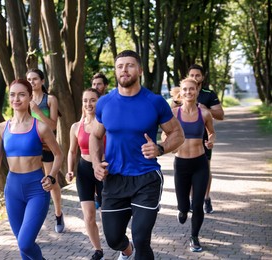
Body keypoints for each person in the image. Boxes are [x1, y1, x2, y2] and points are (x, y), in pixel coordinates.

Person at [89, 50, 185, 260]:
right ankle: (126, 250)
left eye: (130, 65)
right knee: (113, 239)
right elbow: (95, 136)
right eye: (120, 66)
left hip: (146, 177)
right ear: (115, 71)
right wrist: (96, 163)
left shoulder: (154, 101)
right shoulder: (105, 103)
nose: (124, 69)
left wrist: (160, 148)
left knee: (142, 238)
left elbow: (178, 134)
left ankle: (138, 249)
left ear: (140, 70)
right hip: (114, 178)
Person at [0, 79, 63, 260]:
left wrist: (52, 177)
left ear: (30, 97)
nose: (17, 98)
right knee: (23, 247)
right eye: (13, 95)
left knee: (24, 242)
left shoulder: (41, 127)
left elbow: (58, 154)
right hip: (12, 190)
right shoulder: (1, 128)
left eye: (22, 94)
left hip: (36, 190)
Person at [167, 77, 216, 252]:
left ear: (197, 91)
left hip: (200, 163)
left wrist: (210, 141)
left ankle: (194, 237)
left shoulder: (204, 113)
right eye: (185, 89)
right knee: (184, 206)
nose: (189, 92)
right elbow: (166, 136)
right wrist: (168, 145)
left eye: (192, 89)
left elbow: (211, 133)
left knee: (197, 204)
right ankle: (182, 210)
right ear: (181, 92)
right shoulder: (173, 113)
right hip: (181, 164)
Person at [66, 88, 105, 260]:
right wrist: (69, 170)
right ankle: (98, 250)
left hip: (104, 171)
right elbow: (72, 151)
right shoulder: (76, 127)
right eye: (85, 100)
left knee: (110, 214)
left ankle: (120, 243)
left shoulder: (106, 124)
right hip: (84, 171)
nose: (88, 104)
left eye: (93, 100)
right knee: (89, 215)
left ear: (99, 101)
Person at [26, 68, 65, 233]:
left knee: (51, 181)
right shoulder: (25, 99)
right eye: (28, 79)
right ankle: (34, 220)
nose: (31, 82)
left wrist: (36, 111)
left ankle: (58, 214)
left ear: (42, 81)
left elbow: (52, 125)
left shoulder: (50, 99)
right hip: (31, 147)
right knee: (34, 183)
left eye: (35, 79)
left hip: (47, 146)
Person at [188, 64, 224, 214]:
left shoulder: (208, 94)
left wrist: (206, 109)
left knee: (205, 169)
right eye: (192, 75)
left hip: (204, 138)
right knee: (188, 170)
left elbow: (220, 115)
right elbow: (172, 111)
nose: (194, 78)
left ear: (202, 77)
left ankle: (206, 199)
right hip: (186, 138)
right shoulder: (184, 92)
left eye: (197, 75)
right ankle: (191, 200)